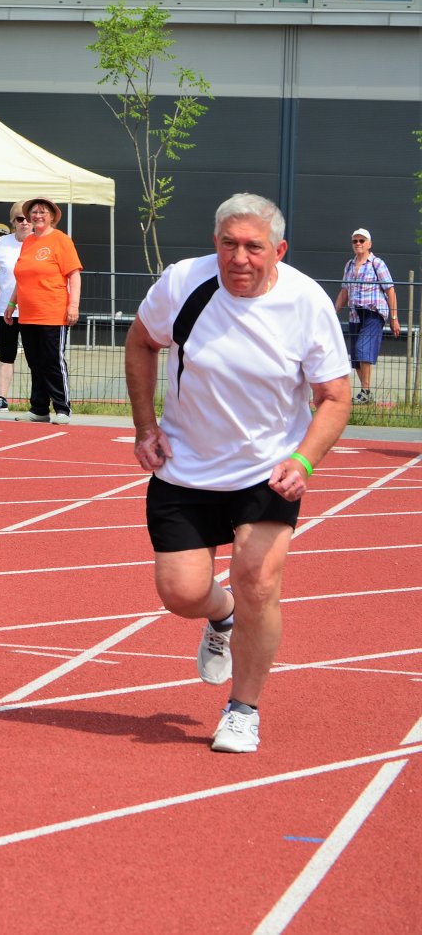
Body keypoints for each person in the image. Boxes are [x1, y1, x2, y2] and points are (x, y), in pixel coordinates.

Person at [124, 193, 350, 753]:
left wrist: (304, 459)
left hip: (266, 471)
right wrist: (145, 425)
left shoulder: (306, 302)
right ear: (215, 243)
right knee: (180, 594)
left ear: (279, 250)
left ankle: (243, 709)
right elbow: (140, 341)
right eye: (229, 245)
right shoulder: (184, 283)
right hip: (186, 467)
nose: (240, 258)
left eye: (254, 247)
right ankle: (221, 615)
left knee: (259, 581)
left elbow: (334, 396)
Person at [4, 197, 80, 423]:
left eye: (42, 212)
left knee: (52, 361)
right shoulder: (28, 241)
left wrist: (73, 305)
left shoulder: (61, 240)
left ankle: (62, 408)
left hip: (53, 312)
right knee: (35, 363)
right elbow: (23, 277)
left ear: (52, 216)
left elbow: (74, 275)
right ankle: (39, 408)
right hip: (28, 314)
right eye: (34, 212)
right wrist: (11, 304)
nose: (37, 216)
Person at [336, 227, 400, 404]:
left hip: (373, 313)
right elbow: (344, 291)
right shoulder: (349, 265)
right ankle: (367, 394)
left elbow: (390, 290)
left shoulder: (377, 264)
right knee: (356, 356)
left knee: (363, 348)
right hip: (355, 314)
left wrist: (394, 318)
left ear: (369, 244)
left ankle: (365, 392)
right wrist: (333, 311)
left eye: (362, 240)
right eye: (355, 241)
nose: (358, 243)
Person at [0, 206, 30, 408]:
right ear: (13, 221)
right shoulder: (1, 243)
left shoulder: (40, 242)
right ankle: (1, 399)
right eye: (20, 218)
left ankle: (39, 402)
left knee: (36, 356)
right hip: (5, 308)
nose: (25, 222)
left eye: (28, 218)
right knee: (6, 354)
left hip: (32, 309)